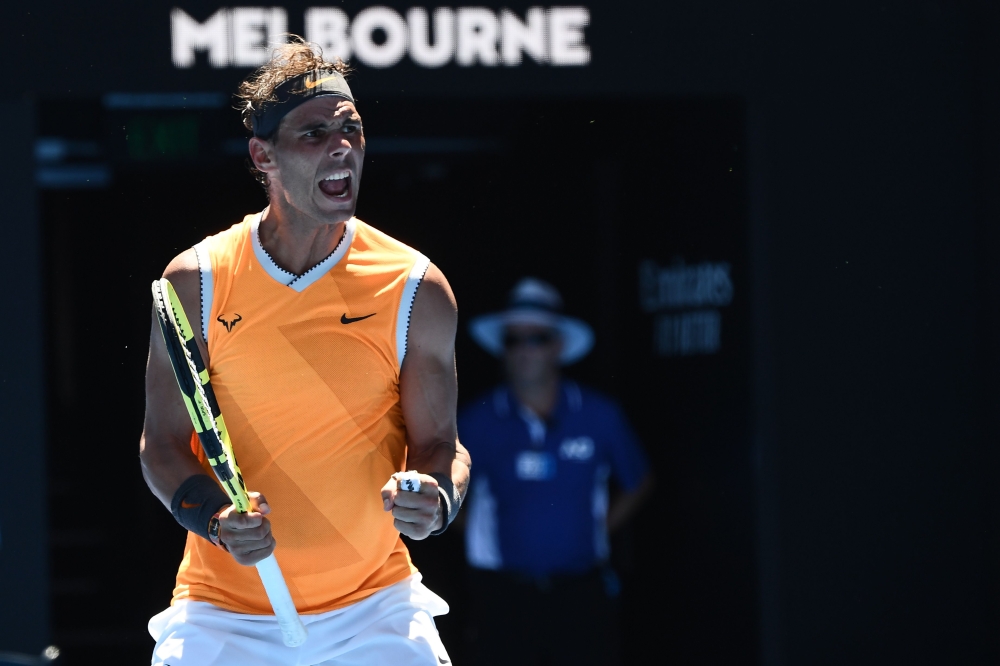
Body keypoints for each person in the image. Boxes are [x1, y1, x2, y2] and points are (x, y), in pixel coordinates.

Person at [139, 39, 469, 666]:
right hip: (222, 616)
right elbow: (160, 447)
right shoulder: (197, 282)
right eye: (314, 133)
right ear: (263, 156)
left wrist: (437, 495)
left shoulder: (416, 288)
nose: (340, 146)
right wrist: (214, 520)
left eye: (351, 129)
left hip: (375, 609)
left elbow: (440, 446)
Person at [460, 278, 654, 665]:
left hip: (581, 595)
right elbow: (443, 489)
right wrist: (479, 535)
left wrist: (597, 528)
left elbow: (640, 481)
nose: (525, 350)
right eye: (514, 340)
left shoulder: (600, 416)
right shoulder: (477, 421)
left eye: (537, 338)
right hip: (504, 599)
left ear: (559, 346)